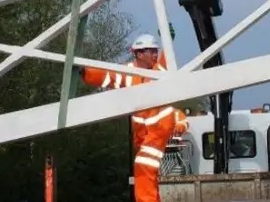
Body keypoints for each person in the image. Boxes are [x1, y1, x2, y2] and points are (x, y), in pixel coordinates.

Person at [80, 33, 189, 202]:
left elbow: (167, 56)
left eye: (156, 50)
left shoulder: (160, 70)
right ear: (138, 53)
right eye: (150, 51)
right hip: (141, 135)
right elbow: (109, 76)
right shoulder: (128, 72)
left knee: (144, 165)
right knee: (145, 172)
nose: (155, 54)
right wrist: (86, 73)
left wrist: (168, 37)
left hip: (159, 128)